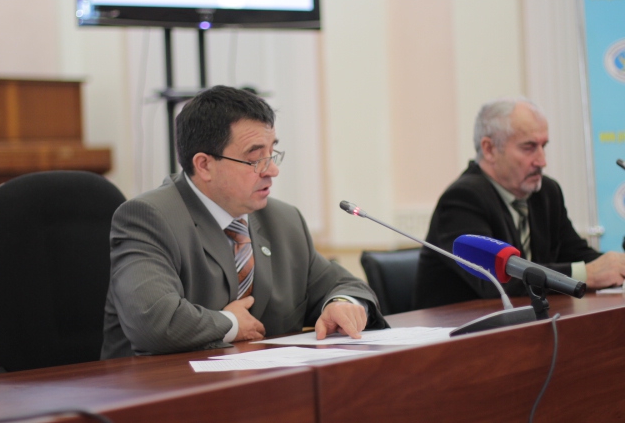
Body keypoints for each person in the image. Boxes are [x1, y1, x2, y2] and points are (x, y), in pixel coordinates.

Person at [101, 85, 387, 357]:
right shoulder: (148, 218)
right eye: (255, 159)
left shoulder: (283, 220)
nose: (272, 170)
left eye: (272, 154)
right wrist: (231, 324)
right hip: (160, 385)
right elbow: (152, 321)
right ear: (204, 165)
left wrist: (342, 304)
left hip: (263, 381)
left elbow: (346, 285)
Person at [413, 97, 625, 309]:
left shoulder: (546, 192)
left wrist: (616, 266)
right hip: (462, 325)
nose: (542, 161)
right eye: (529, 147)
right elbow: (494, 281)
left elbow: (577, 254)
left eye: (543, 146)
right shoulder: (462, 199)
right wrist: (586, 274)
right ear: (489, 149)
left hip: (528, 319)